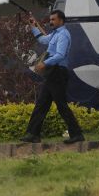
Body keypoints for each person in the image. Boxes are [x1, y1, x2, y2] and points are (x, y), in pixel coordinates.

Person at [19, 10, 84, 144]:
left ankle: (77, 134)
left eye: (53, 19)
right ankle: (33, 134)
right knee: (42, 104)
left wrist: (44, 63)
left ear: (61, 20)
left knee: (60, 105)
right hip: (53, 73)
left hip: (58, 73)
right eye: (50, 19)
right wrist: (33, 27)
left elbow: (60, 55)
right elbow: (43, 40)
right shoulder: (55, 34)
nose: (51, 22)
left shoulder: (64, 35)